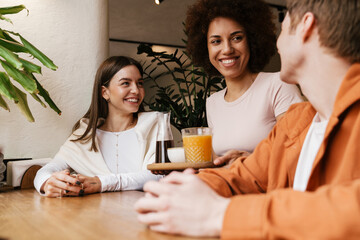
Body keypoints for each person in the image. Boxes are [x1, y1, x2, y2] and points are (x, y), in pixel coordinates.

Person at [135, 0, 360, 238]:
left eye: (284, 26)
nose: (278, 42)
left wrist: (220, 214)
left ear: (306, 27)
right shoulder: (297, 122)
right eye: (216, 41)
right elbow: (244, 176)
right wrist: (186, 190)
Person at [185, 0, 303, 166]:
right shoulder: (213, 103)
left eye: (236, 38)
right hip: (224, 188)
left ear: (252, 40)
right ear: (205, 48)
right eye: (216, 41)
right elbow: (216, 163)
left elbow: (298, 152)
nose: (227, 49)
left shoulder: (278, 85)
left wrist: (252, 162)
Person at [34, 56, 162, 197]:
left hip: (145, 211)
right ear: (104, 92)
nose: (136, 91)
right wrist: (47, 183)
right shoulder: (86, 133)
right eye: (126, 83)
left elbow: (160, 175)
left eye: (140, 83)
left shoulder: (155, 125)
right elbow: (46, 171)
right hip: (96, 215)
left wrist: (102, 183)